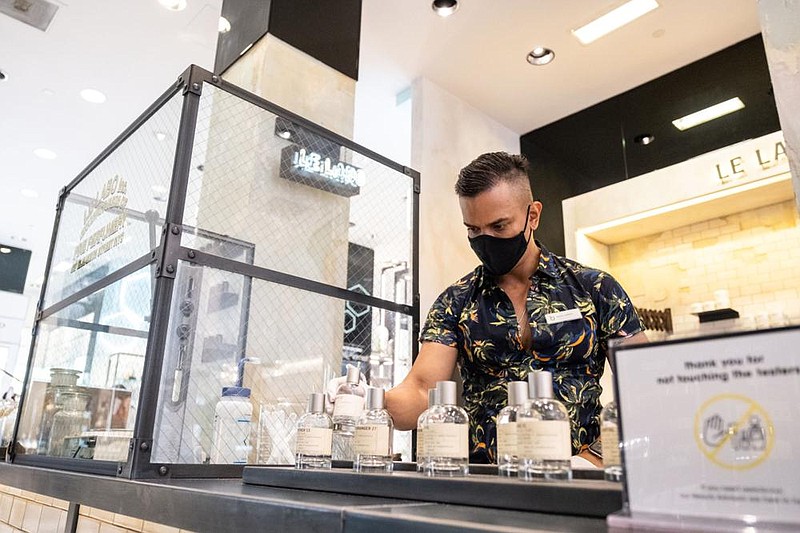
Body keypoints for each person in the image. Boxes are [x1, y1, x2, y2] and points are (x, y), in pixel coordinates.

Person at [384, 151, 646, 465]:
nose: (486, 240)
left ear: (532, 216)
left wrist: (595, 458)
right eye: (473, 230)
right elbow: (423, 390)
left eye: (499, 226)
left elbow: (646, 387)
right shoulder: (455, 301)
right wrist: (370, 403)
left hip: (581, 476)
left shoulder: (596, 289)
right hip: (488, 483)